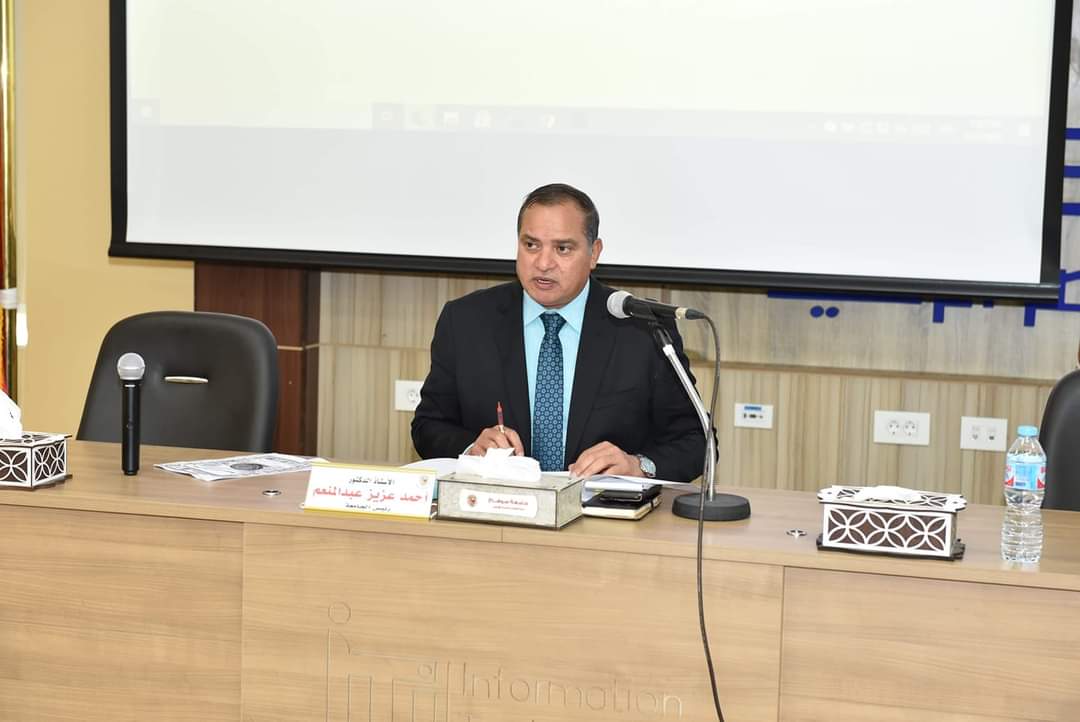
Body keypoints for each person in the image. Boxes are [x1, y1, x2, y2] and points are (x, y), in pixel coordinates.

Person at [410, 183, 705, 482]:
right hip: (497, 504)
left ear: (594, 253)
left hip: (600, 508)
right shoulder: (466, 321)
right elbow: (428, 426)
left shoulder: (642, 328)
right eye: (531, 245)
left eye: (562, 248)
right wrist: (472, 448)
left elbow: (697, 440)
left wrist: (638, 466)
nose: (543, 263)